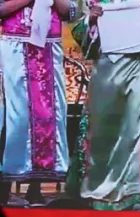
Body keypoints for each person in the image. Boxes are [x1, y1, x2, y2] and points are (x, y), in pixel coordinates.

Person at [68, 0, 140, 210]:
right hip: (105, 69)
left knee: (133, 129)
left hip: (136, 66)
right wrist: (92, 19)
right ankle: (96, 188)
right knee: (101, 130)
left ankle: (132, 192)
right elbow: (80, 32)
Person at [0, 0, 74, 205]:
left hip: (48, 48)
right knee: (17, 119)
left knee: (47, 116)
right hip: (15, 46)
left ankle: (36, 187)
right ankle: (6, 183)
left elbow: (71, 12)